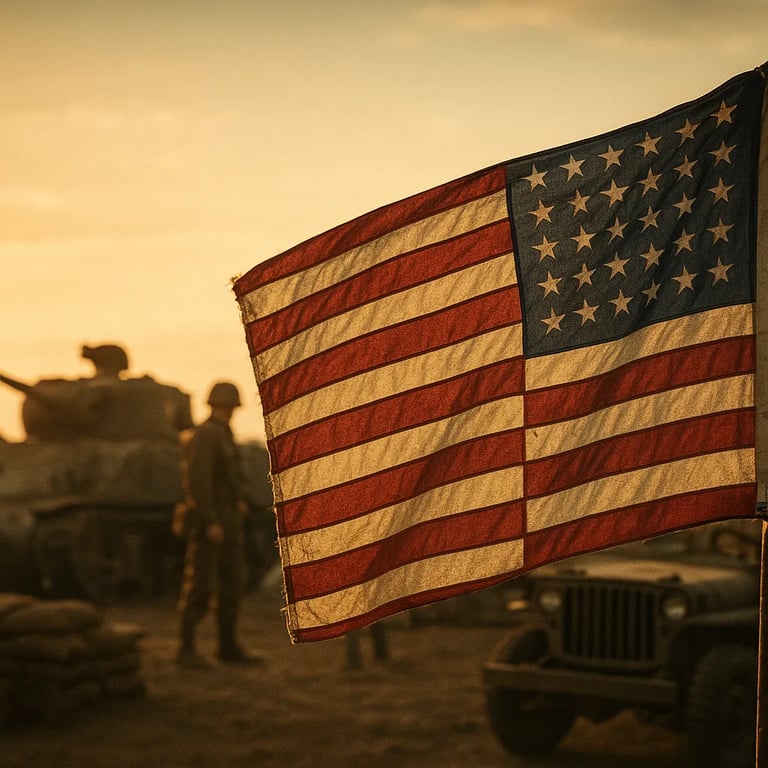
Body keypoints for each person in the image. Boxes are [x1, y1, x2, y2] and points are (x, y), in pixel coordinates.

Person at [175, 381, 261, 668]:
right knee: (199, 585)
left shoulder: (224, 434)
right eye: (224, 405)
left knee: (231, 585)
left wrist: (240, 502)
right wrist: (210, 520)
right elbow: (198, 482)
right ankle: (185, 649)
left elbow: (229, 478)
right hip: (211, 521)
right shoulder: (206, 435)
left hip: (229, 520)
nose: (228, 410)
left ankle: (227, 646)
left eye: (229, 406)